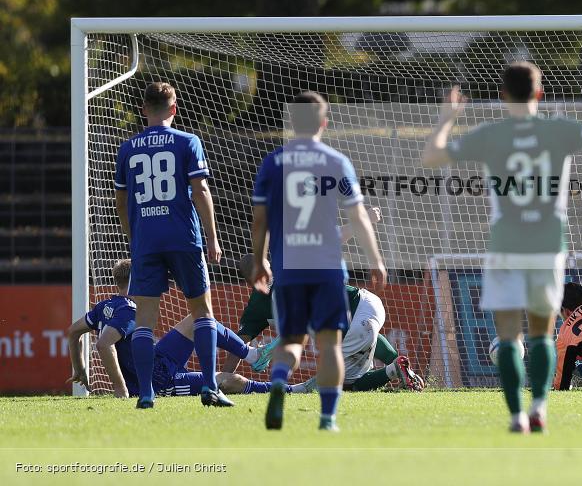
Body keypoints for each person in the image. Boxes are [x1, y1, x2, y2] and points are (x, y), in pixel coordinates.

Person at [422, 62, 582, 433]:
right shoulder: (557, 130)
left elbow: (432, 156)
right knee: (540, 333)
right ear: (539, 93)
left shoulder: (491, 133)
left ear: (503, 96)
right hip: (547, 245)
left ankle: (516, 416)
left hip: (506, 244)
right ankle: (538, 407)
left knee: (507, 336)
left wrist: (447, 117)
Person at [251, 90, 387, 431]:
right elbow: (358, 216)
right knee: (330, 347)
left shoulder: (273, 162)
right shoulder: (336, 161)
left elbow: (259, 219)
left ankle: (280, 382)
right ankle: (327, 419)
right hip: (327, 269)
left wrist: (259, 260)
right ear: (324, 123)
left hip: (288, 268)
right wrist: (375, 259)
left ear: (291, 123)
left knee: (291, 342)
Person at [113, 81, 227, 408]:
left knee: (145, 319)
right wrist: (213, 238)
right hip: (183, 237)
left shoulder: (128, 148)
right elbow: (201, 191)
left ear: (143, 110)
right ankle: (209, 387)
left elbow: (121, 201)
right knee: (202, 312)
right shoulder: (188, 141)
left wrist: (134, 239)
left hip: (146, 241)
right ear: (174, 108)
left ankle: (146, 393)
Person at [66, 260, 287, 398]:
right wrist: (120, 389)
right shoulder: (130, 310)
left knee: (198, 318)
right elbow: (105, 345)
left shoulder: (105, 306)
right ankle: (289, 390)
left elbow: (73, 331)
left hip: (158, 359)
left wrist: (79, 367)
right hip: (158, 380)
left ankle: (252, 355)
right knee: (229, 380)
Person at [230, 253, 424, 393]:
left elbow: (238, 344)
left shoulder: (264, 300)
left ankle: (395, 369)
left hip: (356, 322)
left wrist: (225, 375)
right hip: (369, 302)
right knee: (368, 337)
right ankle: (406, 372)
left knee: (345, 384)